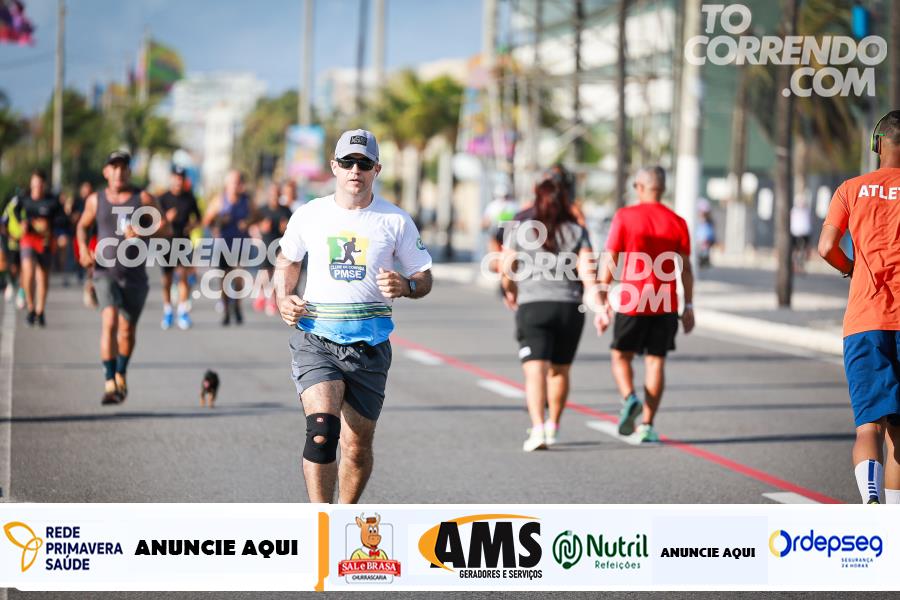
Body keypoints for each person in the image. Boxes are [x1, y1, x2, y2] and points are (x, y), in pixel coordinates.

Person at [275, 129, 433, 503]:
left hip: (369, 346)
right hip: (317, 338)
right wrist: (284, 297)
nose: (355, 170)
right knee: (321, 431)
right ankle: (322, 523)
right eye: (347, 162)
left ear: (376, 168)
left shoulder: (395, 220)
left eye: (363, 163)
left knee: (356, 447)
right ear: (334, 166)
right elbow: (288, 261)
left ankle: (344, 517)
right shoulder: (310, 214)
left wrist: (406, 286)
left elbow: (423, 276)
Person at [818, 109, 900, 504]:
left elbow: (825, 247)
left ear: (876, 144)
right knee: (899, 432)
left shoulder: (851, 189)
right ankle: (894, 520)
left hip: (866, 320)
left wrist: (850, 268)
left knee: (869, 426)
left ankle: (871, 503)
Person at [500, 172, 601, 451]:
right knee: (560, 370)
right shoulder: (577, 231)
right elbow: (588, 272)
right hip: (569, 307)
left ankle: (538, 429)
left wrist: (511, 290)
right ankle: (554, 425)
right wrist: (598, 300)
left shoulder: (521, 229)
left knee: (535, 372)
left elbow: (507, 268)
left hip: (534, 306)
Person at [598, 166, 694, 443]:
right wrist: (688, 306)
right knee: (655, 361)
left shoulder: (625, 216)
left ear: (640, 187)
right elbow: (685, 269)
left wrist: (603, 294)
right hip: (665, 302)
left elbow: (611, 258)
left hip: (633, 300)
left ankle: (630, 398)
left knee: (620, 356)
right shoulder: (677, 221)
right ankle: (648, 426)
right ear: (662, 189)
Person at [76, 151, 170, 405]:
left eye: (123, 167)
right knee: (109, 322)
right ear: (106, 172)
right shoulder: (96, 200)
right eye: (113, 167)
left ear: (129, 171)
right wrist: (83, 249)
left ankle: (121, 373)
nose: (118, 172)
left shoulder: (143, 198)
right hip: (104, 272)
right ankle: (109, 382)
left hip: (135, 276)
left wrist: (143, 231)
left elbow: (165, 228)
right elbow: (83, 225)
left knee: (127, 330)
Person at [203, 170, 256, 326]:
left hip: (241, 243)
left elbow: (257, 215)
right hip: (224, 244)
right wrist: (218, 223)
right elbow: (207, 220)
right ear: (227, 184)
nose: (236, 185)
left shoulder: (246, 200)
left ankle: (237, 306)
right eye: (233, 182)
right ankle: (226, 310)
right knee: (225, 278)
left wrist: (248, 222)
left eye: (238, 182)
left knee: (239, 276)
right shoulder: (220, 200)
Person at [17, 169, 66, 326]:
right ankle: (31, 308)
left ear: (44, 185)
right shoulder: (23, 199)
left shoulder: (52, 201)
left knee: (42, 277)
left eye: (40, 184)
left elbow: (62, 220)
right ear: (31, 184)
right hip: (28, 239)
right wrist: (21, 223)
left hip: (45, 241)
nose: (37, 187)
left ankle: (40, 311)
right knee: (28, 271)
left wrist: (59, 234)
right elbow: (13, 213)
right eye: (34, 184)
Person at [158, 165, 201, 330]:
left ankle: (182, 311)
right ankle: (168, 310)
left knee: (183, 275)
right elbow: (153, 221)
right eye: (176, 177)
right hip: (166, 242)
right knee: (167, 279)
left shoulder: (189, 198)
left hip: (183, 242)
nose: (178, 181)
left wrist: (192, 226)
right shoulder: (163, 198)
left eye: (181, 178)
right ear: (171, 178)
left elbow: (199, 219)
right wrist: (166, 219)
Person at [254, 181, 293, 315]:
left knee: (278, 275)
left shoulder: (286, 210)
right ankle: (262, 295)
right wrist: (261, 228)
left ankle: (272, 300)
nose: (274, 196)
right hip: (266, 245)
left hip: (280, 246)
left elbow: (292, 228)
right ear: (268, 195)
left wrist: (285, 228)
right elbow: (252, 225)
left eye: (277, 194)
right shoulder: (262, 210)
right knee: (265, 275)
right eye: (272, 194)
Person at [791, 193, 812, 274]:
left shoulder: (806, 211)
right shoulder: (794, 211)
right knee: (796, 251)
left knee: (803, 251)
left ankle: (801, 266)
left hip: (805, 233)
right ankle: (796, 266)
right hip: (796, 233)